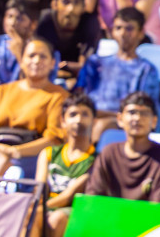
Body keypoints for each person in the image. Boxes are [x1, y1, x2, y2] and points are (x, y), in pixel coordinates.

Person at [0, 37, 68, 169]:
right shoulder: (2, 90)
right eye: (31, 56)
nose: (36, 61)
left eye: (43, 56)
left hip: (31, 161)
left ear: (52, 63)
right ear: (22, 61)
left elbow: (54, 139)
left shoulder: (59, 96)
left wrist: (16, 152)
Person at [76, 6, 160, 138]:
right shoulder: (95, 62)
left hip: (120, 123)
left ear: (141, 33)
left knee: (102, 126)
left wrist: (105, 116)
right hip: (87, 117)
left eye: (129, 28)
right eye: (118, 28)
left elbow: (146, 109)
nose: (123, 33)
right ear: (112, 32)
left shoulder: (145, 69)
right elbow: (79, 95)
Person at [87, 91, 160, 203]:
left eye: (144, 113)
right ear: (120, 119)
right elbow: (93, 196)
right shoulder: (108, 153)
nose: (137, 118)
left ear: (154, 121)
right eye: (132, 112)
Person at [36, 92, 97, 237]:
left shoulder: (97, 160)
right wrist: (37, 207)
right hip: (46, 206)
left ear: (94, 121)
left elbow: (68, 197)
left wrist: (41, 208)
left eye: (85, 114)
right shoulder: (49, 153)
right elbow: (40, 189)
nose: (78, 119)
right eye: (73, 114)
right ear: (62, 120)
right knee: (31, 215)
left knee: (56, 218)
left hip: (74, 210)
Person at [35, 0, 103, 85]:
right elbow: (35, 60)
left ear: (84, 7)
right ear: (54, 4)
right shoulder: (43, 21)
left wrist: (64, 65)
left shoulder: (90, 23)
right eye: (65, 2)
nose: (71, 8)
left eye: (76, 3)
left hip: (77, 81)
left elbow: (86, 66)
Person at [0, 0, 41, 85]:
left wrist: (20, 55)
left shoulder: (42, 50)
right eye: (9, 16)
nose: (12, 23)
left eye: (20, 19)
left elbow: (36, 85)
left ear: (33, 24)